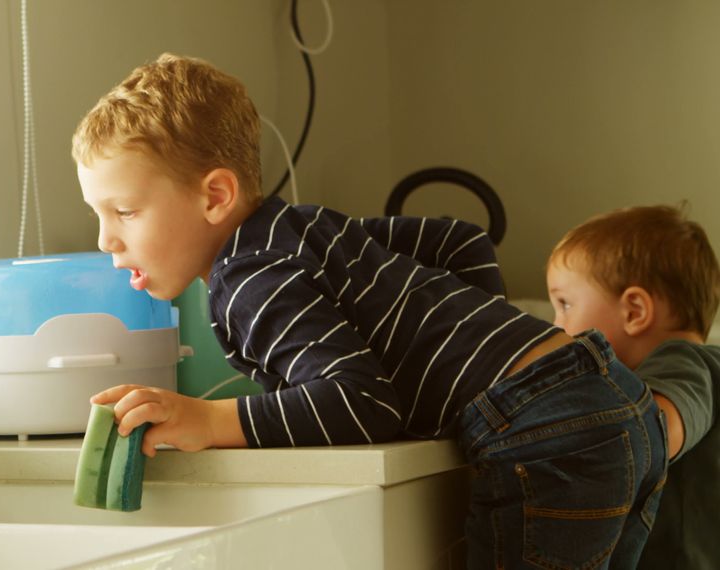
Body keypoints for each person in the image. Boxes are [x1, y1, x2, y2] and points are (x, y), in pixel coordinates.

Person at [72, 53, 666, 568]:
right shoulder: (303, 228)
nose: (106, 240)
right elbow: (462, 241)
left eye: (124, 212)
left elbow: (362, 402)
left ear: (215, 196)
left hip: (543, 429)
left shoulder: (248, 279)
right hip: (611, 392)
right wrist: (461, 358)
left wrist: (206, 420)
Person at [547, 205, 720, 570]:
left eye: (565, 304)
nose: (557, 325)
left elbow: (652, 432)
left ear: (635, 312)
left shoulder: (683, 360)